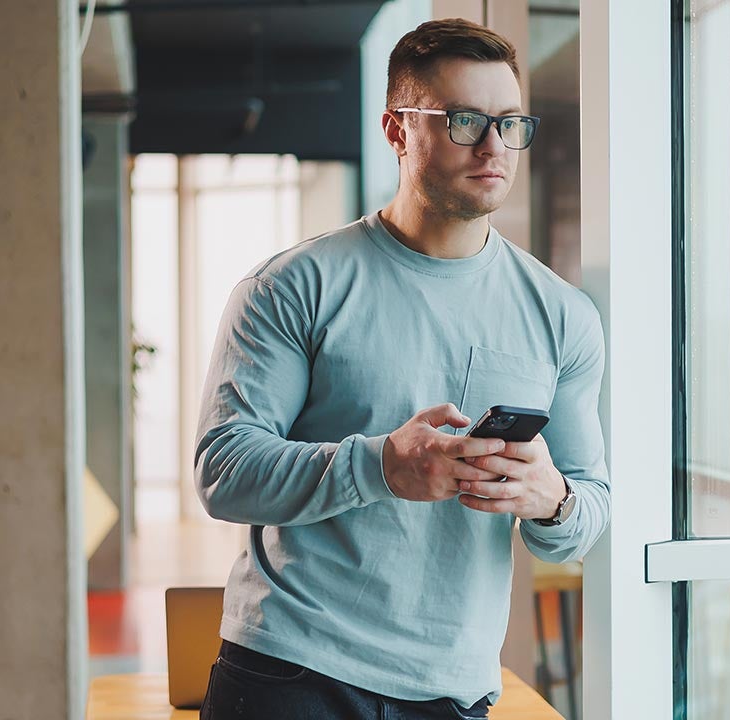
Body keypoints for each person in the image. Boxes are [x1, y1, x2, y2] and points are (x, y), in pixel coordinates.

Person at [193, 17, 608, 720]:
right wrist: (382, 465)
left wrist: (552, 497)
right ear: (396, 129)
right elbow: (223, 470)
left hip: (451, 694)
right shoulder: (293, 288)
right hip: (292, 674)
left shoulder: (562, 315)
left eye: (509, 123)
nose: (493, 147)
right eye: (465, 120)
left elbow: (588, 508)